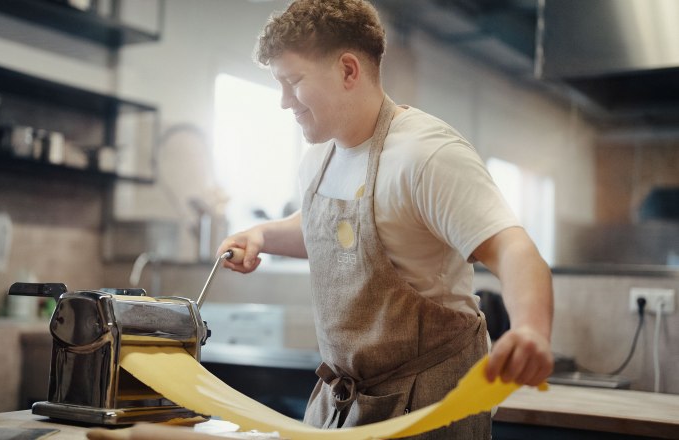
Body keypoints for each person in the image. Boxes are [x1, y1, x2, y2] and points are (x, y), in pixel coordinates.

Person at [216, 0, 554, 437]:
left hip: (429, 407)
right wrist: (260, 234)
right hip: (343, 405)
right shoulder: (320, 156)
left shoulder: (426, 155)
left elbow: (512, 247)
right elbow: (333, 232)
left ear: (349, 70)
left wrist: (531, 329)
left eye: (293, 81)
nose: (284, 101)